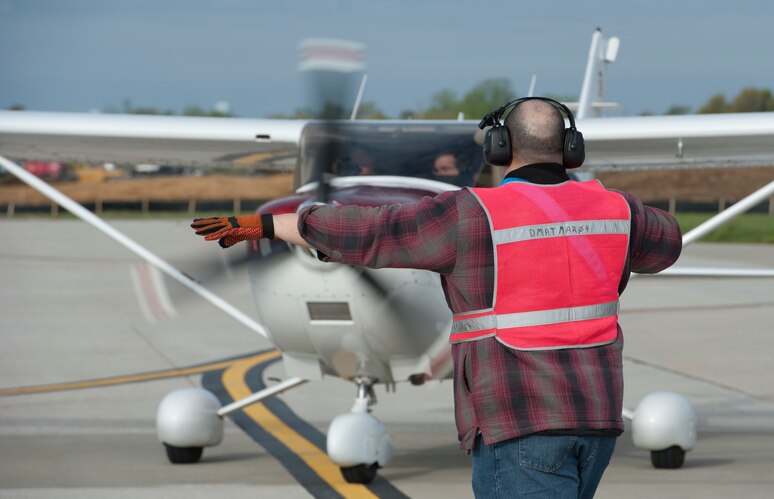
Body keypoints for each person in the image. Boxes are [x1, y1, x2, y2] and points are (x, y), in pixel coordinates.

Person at [191, 98, 682, 498]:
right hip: (595, 423)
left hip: (519, 420)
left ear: (499, 147)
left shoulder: (472, 215)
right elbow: (668, 242)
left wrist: (273, 224)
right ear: (570, 149)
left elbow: (379, 230)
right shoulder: (618, 211)